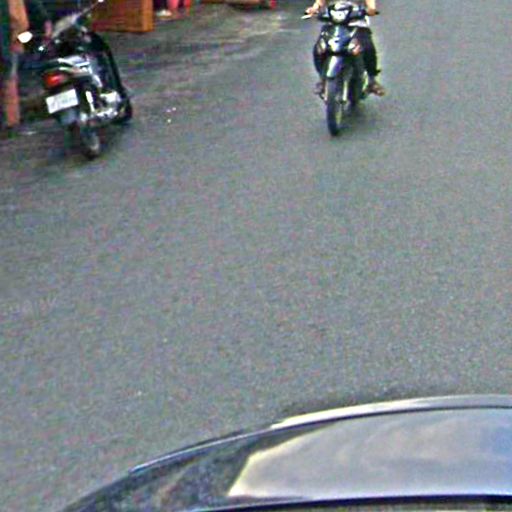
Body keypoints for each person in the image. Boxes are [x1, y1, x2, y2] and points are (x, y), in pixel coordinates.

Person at [306, 0, 386, 96]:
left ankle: (372, 80)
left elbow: (370, 4)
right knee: (320, 48)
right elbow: (320, 2)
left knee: (368, 47)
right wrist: (314, 8)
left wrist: (371, 9)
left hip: (356, 24)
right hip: (333, 23)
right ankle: (322, 79)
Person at [0, 0, 29, 136]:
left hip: (8, 42)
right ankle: (11, 122)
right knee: (9, 83)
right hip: (8, 43)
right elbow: (18, 20)